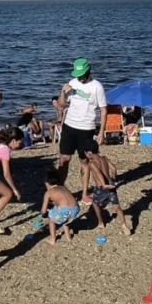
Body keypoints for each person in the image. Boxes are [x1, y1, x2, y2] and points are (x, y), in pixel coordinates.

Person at [57, 58, 107, 205]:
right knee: (63, 159)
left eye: (82, 74)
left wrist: (101, 132)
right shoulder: (72, 83)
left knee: (84, 161)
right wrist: (62, 91)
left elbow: (103, 110)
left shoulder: (97, 86)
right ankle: (60, 190)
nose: (80, 78)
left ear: (88, 71)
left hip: (86, 128)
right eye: (78, 75)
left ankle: (84, 194)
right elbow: (61, 105)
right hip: (69, 126)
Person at [87, 152, 131, 235]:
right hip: (111, 184)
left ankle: (100, 222)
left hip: (101, 187)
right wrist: (113, 178)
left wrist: (104, 184)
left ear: (89, 153)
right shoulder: (104, 158)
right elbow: (114, 168)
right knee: (117, 206)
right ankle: (124, 224)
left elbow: (99, 173)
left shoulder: (92, 163)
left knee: (95, 204)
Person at [40, 169, 79, 245]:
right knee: (66, 218)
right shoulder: (63, 187)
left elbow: (43, 211)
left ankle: (52, 239)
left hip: (65, 211)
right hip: (75, 209)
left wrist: (43, 214)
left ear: (46, 183)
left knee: (51, 217)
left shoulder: (48, 193)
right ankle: (68, 237)